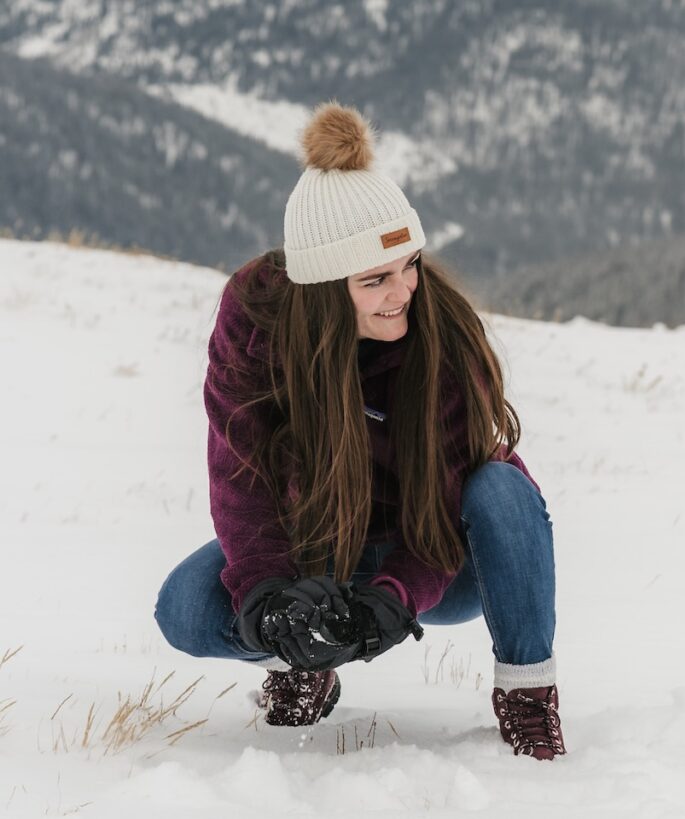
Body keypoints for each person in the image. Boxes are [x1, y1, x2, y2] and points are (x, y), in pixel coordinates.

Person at [154, 101, 565, 760]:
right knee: (187, 607)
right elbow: (242, 476)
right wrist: (270, 600)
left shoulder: (442, 341)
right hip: (320, 539)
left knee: (501, 490)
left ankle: (527, 695)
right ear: (320, 288)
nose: (403, 289)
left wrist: (388, 601)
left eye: (410, 264)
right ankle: (303, 664)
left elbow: (440, 506)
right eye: (375, 278)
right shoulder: (255, 325)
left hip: (442, 557)